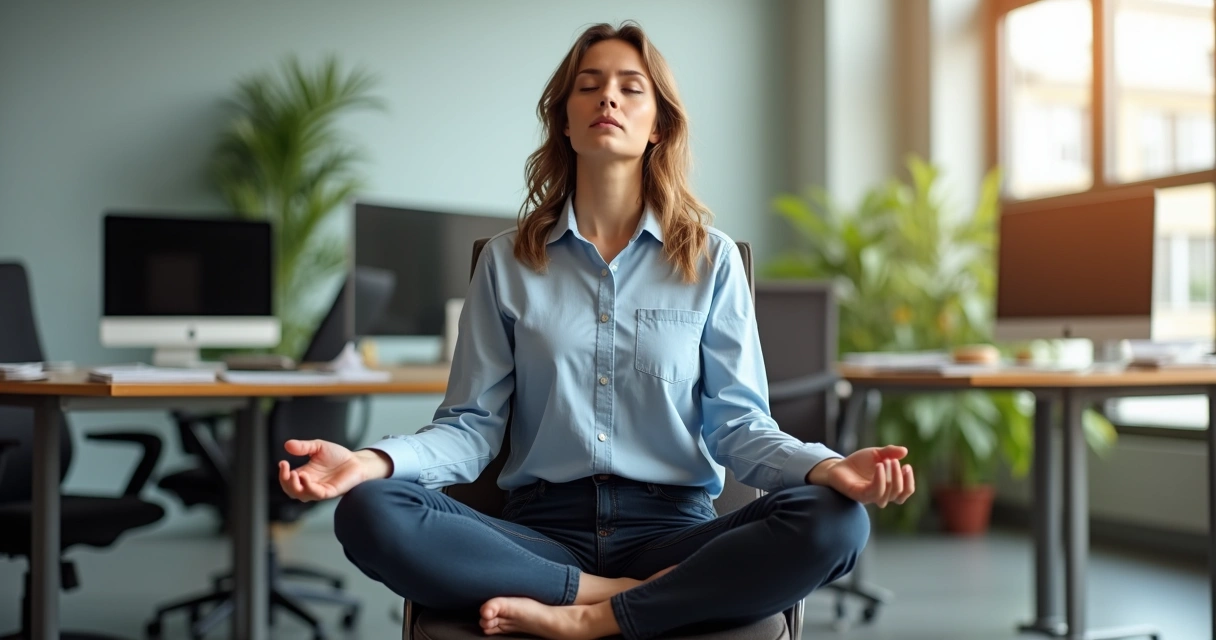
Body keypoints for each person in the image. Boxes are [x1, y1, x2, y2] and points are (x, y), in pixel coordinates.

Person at [278, 21, 915, 640]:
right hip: (537, 533)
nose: (607, 95)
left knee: (835, 522)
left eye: (630, 86)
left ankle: (590, 618)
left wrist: (829, 468)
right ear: (564, 116)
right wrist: (369, 461)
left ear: (659, 124)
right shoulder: (508, 261)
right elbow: (470, 430)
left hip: (673, 529)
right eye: (589, 84)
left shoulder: (710, 259)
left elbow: (739, 429)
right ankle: (612, 597)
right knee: (370, 507)